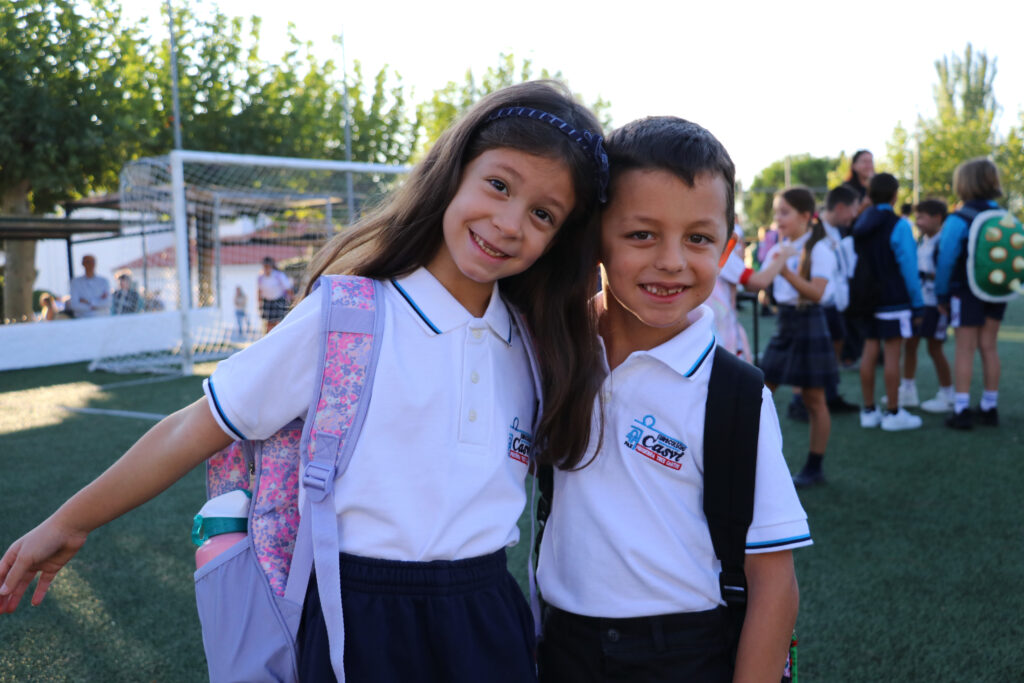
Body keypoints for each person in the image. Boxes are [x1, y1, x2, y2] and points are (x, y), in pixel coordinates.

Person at [0, 81, 610, 683]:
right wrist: (70, 521)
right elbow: (195, 427)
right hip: (358, 620)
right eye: (499, 185)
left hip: (488, 617)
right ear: (454, 173)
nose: (509, 222)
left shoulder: (538, 346)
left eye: (542, 214)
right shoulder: (346, 317)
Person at [537, 117, 809, 683]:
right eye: (642, 234)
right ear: (595, 238)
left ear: (727, 249)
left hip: (684, 653)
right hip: (562, 647)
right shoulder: (551, 354)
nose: (672, 261)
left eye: (698, 239)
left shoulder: (736, 395)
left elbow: (773, 580)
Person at [740, 187, 837, 487]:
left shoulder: (819, 249)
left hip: (810, 321)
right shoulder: (780, 248)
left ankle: (814, 467)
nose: (778, 219)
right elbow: (761, 284)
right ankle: (751, 462)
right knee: (759, 393)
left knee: (814, 399)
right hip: (785, 323)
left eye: (785, 212)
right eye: (776, 213)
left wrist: (784, 271)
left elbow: (818, 293)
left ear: (805, 216)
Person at [934, 157, 1008, 429]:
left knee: (964, 349)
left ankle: (962, 409)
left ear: (963, 184)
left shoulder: (959, 218)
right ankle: (990, 406)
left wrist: (942, 295)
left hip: (965, 292)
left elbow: (946, 260)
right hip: (996, 290)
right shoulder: (1003, 216)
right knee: (989, 346)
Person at [852, 173, 924, 431]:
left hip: (865, 297)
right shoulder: (899, 225)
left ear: (869, 195)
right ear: (895, 196)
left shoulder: (860, 223)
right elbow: (909, 267)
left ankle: (869, 410)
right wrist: (918, 303)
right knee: (893, 354)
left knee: (869, 351)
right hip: (893, 299)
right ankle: (893, 412)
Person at [898, 200, 954, 413]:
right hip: (920, 303)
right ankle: (908, 390)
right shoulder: (923, 241)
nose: (918, 222)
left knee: (934, 348)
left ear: (937, 218)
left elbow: (944, 273)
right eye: (917, 217)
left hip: (936, 305)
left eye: (922, 217)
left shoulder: (944, 242)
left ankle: (948, 394)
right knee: (910, 344)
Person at [257, 257, 293, 333]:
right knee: (269, 324)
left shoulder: (279, 276)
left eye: (268, 266)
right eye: (265, 266)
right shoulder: (261, 277)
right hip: (267, 301)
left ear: (271, 266)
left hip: (279, 301)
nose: (266, 269)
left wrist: (291, 301)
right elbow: (259, 291)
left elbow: (288, 289)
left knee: (280, 322)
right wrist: (259, 303)